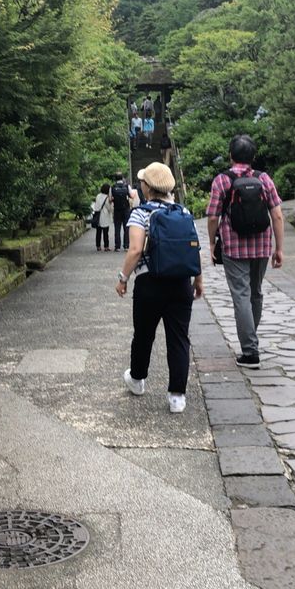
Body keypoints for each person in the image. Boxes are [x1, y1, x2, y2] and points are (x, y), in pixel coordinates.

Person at [116, 162, 204, 413]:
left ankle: (137, 379)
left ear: (146, 187)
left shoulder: (140, 213)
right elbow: (194, 248)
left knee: (144, 335)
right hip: (180, 284)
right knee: (179, 338)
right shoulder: (185, 213)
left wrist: (123, 278)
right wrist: (198, 281)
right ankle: (177, 397)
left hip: (149, 283)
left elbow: (134, 250)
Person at [206, 134, 284, 369]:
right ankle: (250, 338)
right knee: (255, 293)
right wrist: (279, 248)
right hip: (261, 245)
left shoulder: (222, 180)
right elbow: (277, 215)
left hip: (233, 246)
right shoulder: (264, 179)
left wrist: (212, 242)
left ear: (231, 155)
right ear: (253, 156)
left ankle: (250, 351)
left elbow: (212, 216)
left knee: (241, 294)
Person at [110, 172, 133, 251]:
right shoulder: (127, 186)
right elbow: (132, 196)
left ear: (115, 179)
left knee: (117, 228)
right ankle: (126, 246)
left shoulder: (112, 187)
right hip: (126, 209)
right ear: (122, 178)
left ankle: (117, 246)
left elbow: (110, 199)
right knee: (126, 228)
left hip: (117, 210)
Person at [90, 183, 112, 252]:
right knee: (105, 233)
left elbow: (96, 205)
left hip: (98, 215)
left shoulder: (98, 196)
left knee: (98, 232)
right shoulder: (107, 197)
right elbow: (109, 208)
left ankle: (98, 246)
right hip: (104, 216)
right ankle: (106, 246)